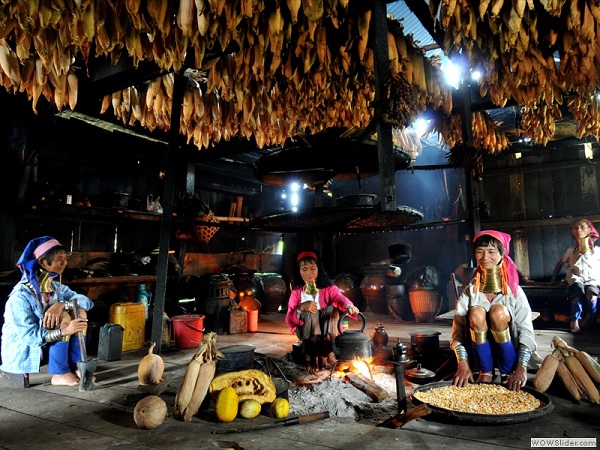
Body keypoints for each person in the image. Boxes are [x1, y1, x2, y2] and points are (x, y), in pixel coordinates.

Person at [1, 236, 94, 386]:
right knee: (64, 317)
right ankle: (59, 372)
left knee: (80, 312)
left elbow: (86, 302)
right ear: (43, 262)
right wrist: (65, 330)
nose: (65, 263)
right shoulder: (20, 296)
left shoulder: (56, 288)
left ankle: (77, 365)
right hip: (28, 352)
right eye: (59, 259)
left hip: (45, 348)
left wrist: (62, 304)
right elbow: (30, 338)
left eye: (65, 258)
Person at [451, 230, 537, 392]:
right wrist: (463, 363)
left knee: (498, 311)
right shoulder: (471, 292)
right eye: (480, 252)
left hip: (512, 357)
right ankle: (486, 372)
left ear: (502, 254)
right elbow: (458, 332)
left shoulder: (514, 291)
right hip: (478, 356)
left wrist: (521, 368)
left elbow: (526, 331)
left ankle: (507, 371)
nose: (485, 257)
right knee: (476, 312)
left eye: (491, 252)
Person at [285, 250, 359, 370]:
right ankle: (311, 355)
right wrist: (301, 307)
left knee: (331, 310)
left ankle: (328, 354)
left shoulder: (328, 288)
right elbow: (289, 319)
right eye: (304, 269)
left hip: (326, 328)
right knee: (310, 313)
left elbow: (340, 298)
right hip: (306, 329)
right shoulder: (297, 292)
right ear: (299, 272)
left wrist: (349, 306)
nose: (309, 273)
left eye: (312, 268)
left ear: (318, 269)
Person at [550, 219, 600, 333]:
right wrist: (553, 279)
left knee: (591, 294)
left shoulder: (597, 252)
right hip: (575, 278)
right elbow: (560, 264)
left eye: (582, 227)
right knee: (577, 291)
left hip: (592, 279)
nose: (578, 230)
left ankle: (589, 316)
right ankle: (574, 322)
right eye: (575, 228)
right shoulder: (571, 251)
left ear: (589, 230)